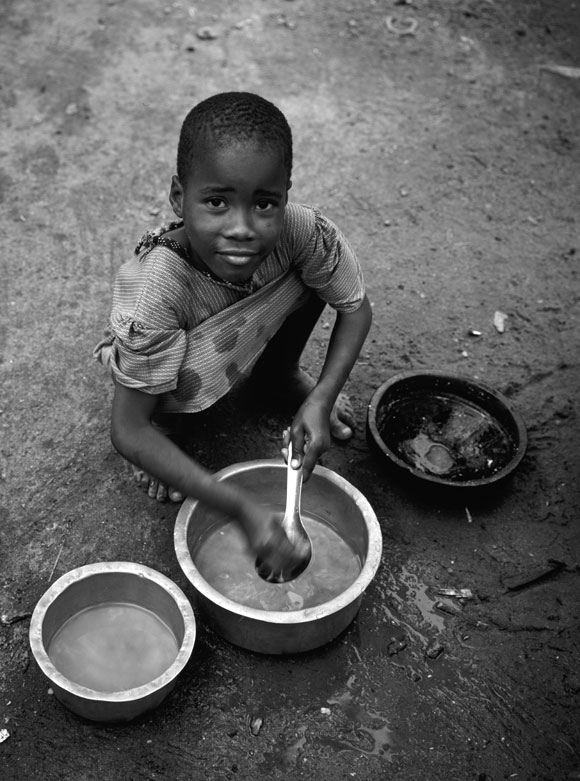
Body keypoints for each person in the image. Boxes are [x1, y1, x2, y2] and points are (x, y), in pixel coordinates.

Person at [95, 91, 372, 578]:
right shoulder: (156, 292)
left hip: (246, 333)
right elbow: (126, 430)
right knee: (158, 410)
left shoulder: (302, 231)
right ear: (180, 197)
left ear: (286, 192)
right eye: (217, 202)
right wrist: (241, 508)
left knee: (308, 277)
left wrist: (320, 401)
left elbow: (354, 307)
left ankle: (278, 377)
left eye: (265, 203)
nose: (243, 228)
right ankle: (170, 435)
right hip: (172, 368)